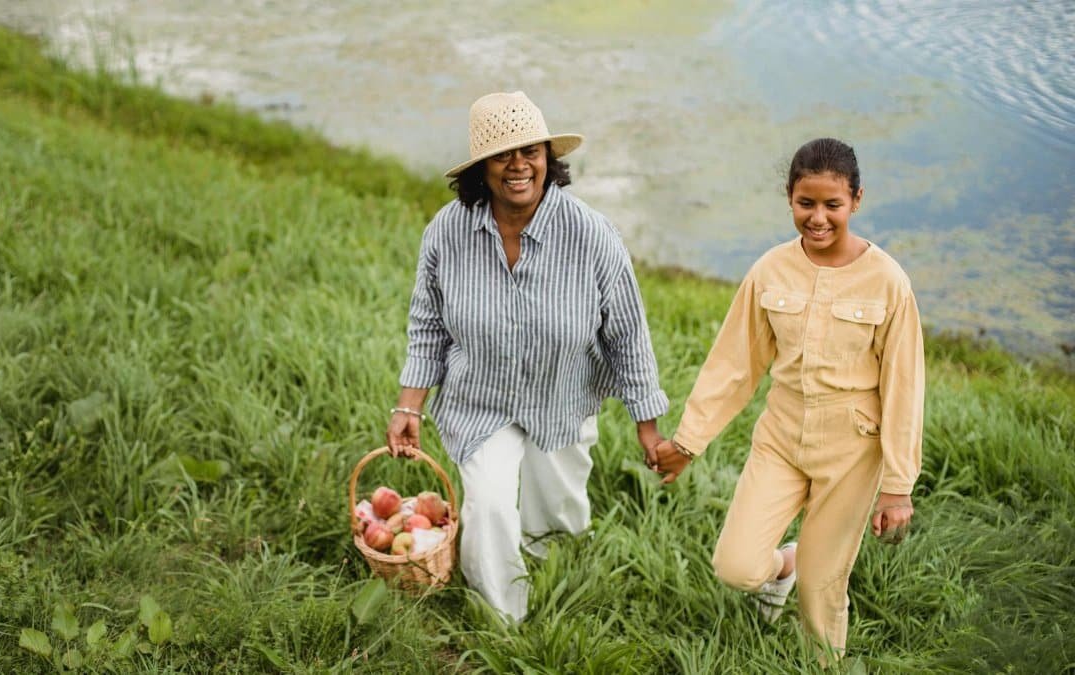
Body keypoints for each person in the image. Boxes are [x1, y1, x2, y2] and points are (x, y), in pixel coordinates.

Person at [386, 91, 669, 622]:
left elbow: (629, 335)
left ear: (548, 158)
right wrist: (408, 406)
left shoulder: (592, 235)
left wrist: (647, 427)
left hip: (562, 400)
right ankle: (503, 624)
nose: (519, 165)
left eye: (531, 151)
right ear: (482, 170)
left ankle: (556, 582)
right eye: (502, 155)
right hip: (480, 400)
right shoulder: (447, 233)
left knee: (555, 521)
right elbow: (427, 327)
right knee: (490, 507)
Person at [649, 138, 925, 660]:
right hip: (780, 439)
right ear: (789, 198)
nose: (818, 218)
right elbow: (735, 364)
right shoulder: (769, 271)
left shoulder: (889, 282)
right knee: (737, 566)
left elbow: (905, 388)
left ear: (857, 200)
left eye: (832, 205)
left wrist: (897, 486)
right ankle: (784, 567)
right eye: (806, 204)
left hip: (852, 451)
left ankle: (822, 666)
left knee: (821, 593)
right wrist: (689, 441)